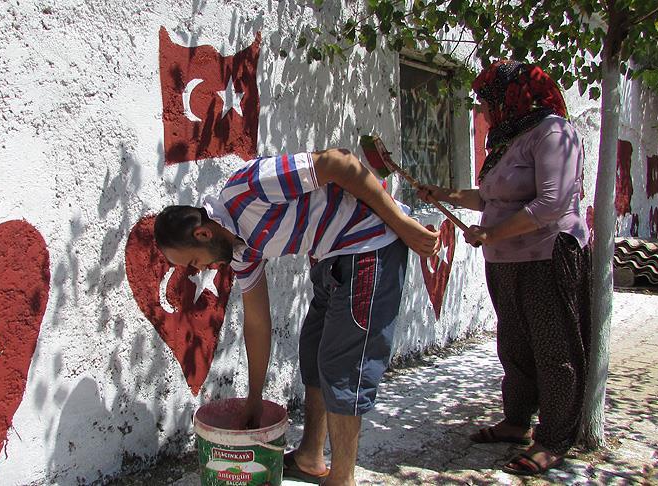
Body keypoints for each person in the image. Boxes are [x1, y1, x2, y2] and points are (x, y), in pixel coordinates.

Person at [154, 148, 440, 485]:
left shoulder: (248, 189)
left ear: (202, 233)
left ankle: (342, 478)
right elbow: (257, 323)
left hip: (368, 245)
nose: (197, 271)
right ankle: (310, 456)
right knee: (313, 350)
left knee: (342, 365)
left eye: (192, 262)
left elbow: (341, 163)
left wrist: (404, 224)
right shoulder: (241, 253)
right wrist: (255, 399)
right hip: (330, 256)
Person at [418, 60, 591, 476]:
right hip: (506, 262)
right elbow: (491, 198)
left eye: (491, 100)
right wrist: (445, 193)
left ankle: (554, 438)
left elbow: (551, 203)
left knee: (554, 349)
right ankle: (516, 422)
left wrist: (492, 235)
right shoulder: (510, 138)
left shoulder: (553, 132)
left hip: (548, 257)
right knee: (514, 344)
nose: (486, 109)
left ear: (514, 96)